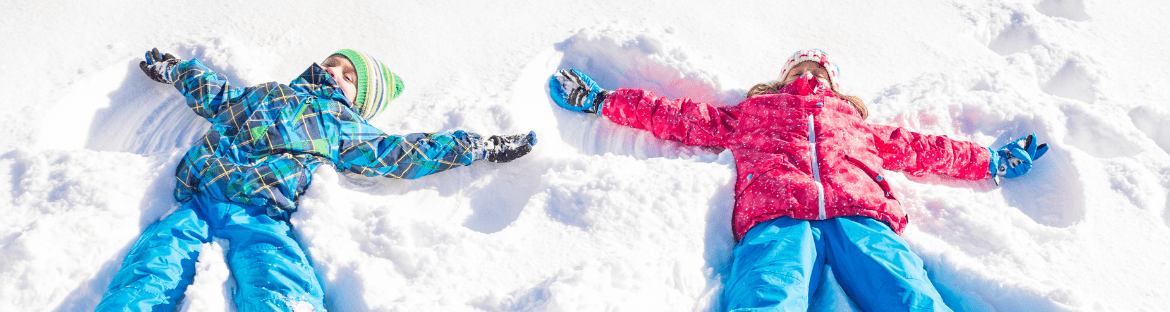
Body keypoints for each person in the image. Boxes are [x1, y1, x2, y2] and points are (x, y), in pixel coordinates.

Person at [547, 49, 1047, 311]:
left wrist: (991, 161)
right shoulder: (752, 113)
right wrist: (603, 101)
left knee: (907, 296)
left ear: (835, 84)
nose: (811, 73)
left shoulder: (855, 124)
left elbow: (922, 148)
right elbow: (678, 116)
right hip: (777, 215)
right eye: (802, 67)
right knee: (767, 296)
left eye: (820, 69)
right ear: (783, 77)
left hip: (861, 217)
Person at [97, 48, 537, 311]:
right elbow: (215, 93)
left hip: (262, 213)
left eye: (349, 77)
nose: (335, 73)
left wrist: (478, 146)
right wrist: (176, 69)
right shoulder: (268, 93)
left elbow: (404, 153)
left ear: (361, 103)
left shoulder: (345, 126)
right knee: (150, 270)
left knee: (279, 281)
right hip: (197, 198)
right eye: (333, 64)